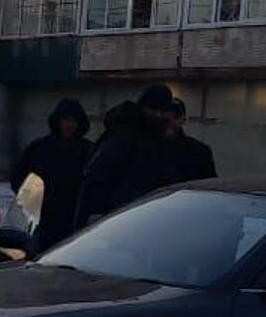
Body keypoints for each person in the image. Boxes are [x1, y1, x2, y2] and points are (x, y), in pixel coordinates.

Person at [76, 84, 180, 229]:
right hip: (121, 219)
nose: (162, 116)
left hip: (134, 218)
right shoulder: (128, 136)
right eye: (158, 111)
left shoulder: (148, 137)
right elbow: (98, 179)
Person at [11, 98, 93, 252]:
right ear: (58, 121)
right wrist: (34, 202)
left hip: (73, 219)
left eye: (74, 120)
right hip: (42, 219)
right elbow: (19, 176)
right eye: (66, 119)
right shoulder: (40, 148)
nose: (69, 125)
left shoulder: (87, 150)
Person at [166, 98, 217, 183]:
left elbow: (210, 186)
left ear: (183, 119)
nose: (170, 121)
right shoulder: (145, 149)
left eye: (175, 116)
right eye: (165, 117)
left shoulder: (200, 151)